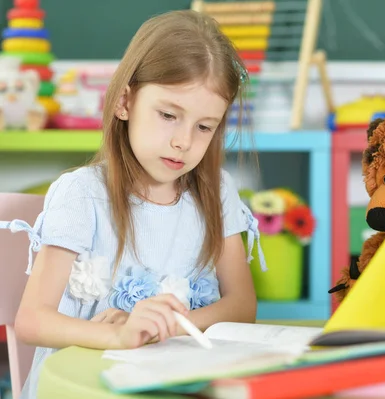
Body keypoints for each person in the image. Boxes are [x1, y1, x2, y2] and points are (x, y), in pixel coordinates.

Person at [0, 10, 265, 398]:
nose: (184, 141)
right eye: (169, 115)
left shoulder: (218, 191)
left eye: (204, 126)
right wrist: (118, 334)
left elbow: (242, 305)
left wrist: (167, 324)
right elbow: (32, 321)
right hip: (86, 386)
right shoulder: (82, 195)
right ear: (124, 101)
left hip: (172, 377)